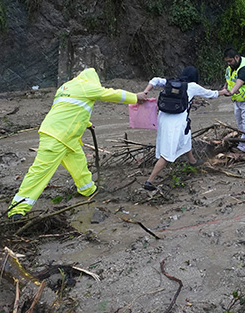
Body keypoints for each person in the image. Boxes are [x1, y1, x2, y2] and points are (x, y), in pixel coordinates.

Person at [8, 68, 147, 219]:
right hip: (58, 136)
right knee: (40, 172)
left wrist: (87, 123)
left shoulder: (66, 87)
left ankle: (88, 190)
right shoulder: (86, 87)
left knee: (79, 163)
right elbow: (110, 94)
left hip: (65, 135)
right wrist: (135, 97)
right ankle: (17, 209)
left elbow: (70, 109)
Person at [141, 66, 228, 191]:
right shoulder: (192, 86)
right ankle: (149, 181)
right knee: (167, 153)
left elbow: (154, 80)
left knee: (186, 136)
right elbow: (211, 94)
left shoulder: (170, 82)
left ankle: (192, 160)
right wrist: (223, 92)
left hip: (163, 118)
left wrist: (145, 92)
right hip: (176, 122)